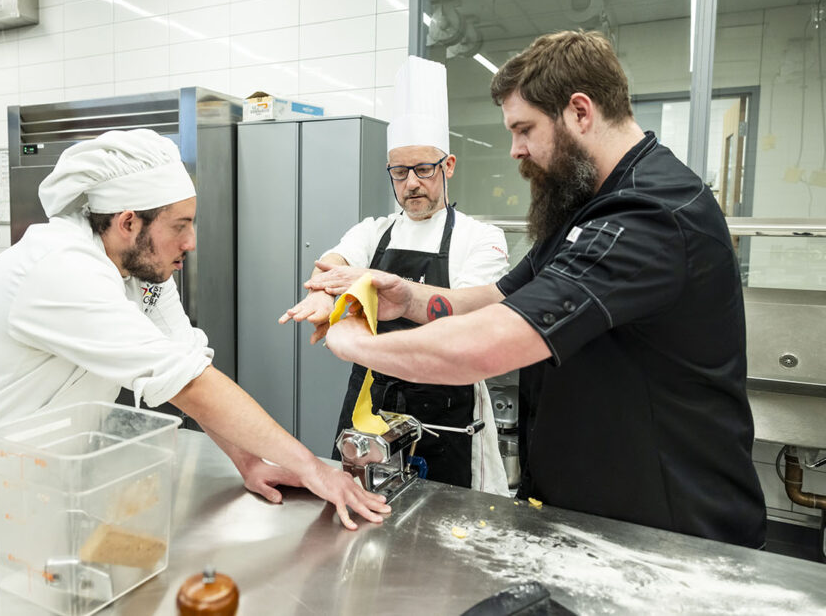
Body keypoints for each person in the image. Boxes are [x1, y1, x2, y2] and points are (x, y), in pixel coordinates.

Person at [317, 30, 766, 548]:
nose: (515, 150)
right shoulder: (588, 208)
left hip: (671, 528)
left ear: (580, 111)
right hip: (597, 511)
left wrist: (354, 341)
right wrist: (410, 298)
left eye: (524, 129)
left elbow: (490, 342)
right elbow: (501, 296)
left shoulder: (650, 214)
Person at [0, 129, 389, 529]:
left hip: (47, 474)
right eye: (180, 225)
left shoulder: (139, 272)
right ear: (129, 222)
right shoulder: (58, 268)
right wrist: (313, 468)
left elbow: (186, 363)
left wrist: (250, 461)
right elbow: (189, 385)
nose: (191, 242)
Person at [279, 56, 510, 494]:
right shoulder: (375, 231)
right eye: (400, 172)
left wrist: (396, 295)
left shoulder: (481, 238)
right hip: (372, 405)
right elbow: (332, 262)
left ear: (450, 165)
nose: (411, 184)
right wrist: (325, 297)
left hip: (447, 412)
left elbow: (472, 318)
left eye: (423, 169)